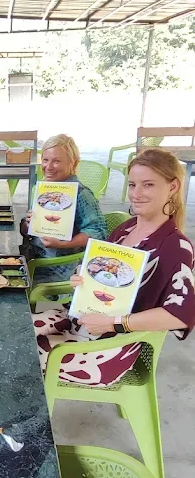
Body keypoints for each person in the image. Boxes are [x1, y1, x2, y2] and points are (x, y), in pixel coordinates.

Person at [34, 148, 195, 386]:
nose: (136, 194)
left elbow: (181, 315)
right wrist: (82, 277)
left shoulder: (176, 247)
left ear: (172, 187)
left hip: (113, 345)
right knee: (13, 335)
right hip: (80, 318)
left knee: (23, 358)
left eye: (148, 185)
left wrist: (116, 322)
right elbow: (96, 270)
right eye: (132, 185)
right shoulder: (126, 229)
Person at [21, 133, 107, 281]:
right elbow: (31, 230)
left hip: (59, 266)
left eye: (56, 161)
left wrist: (62, 244)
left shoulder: (81, 194)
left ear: (73, 163)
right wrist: (27, 224)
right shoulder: (44, 188)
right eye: (45, 160)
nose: (48, 167)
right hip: (33, 254)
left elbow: (98, 232)